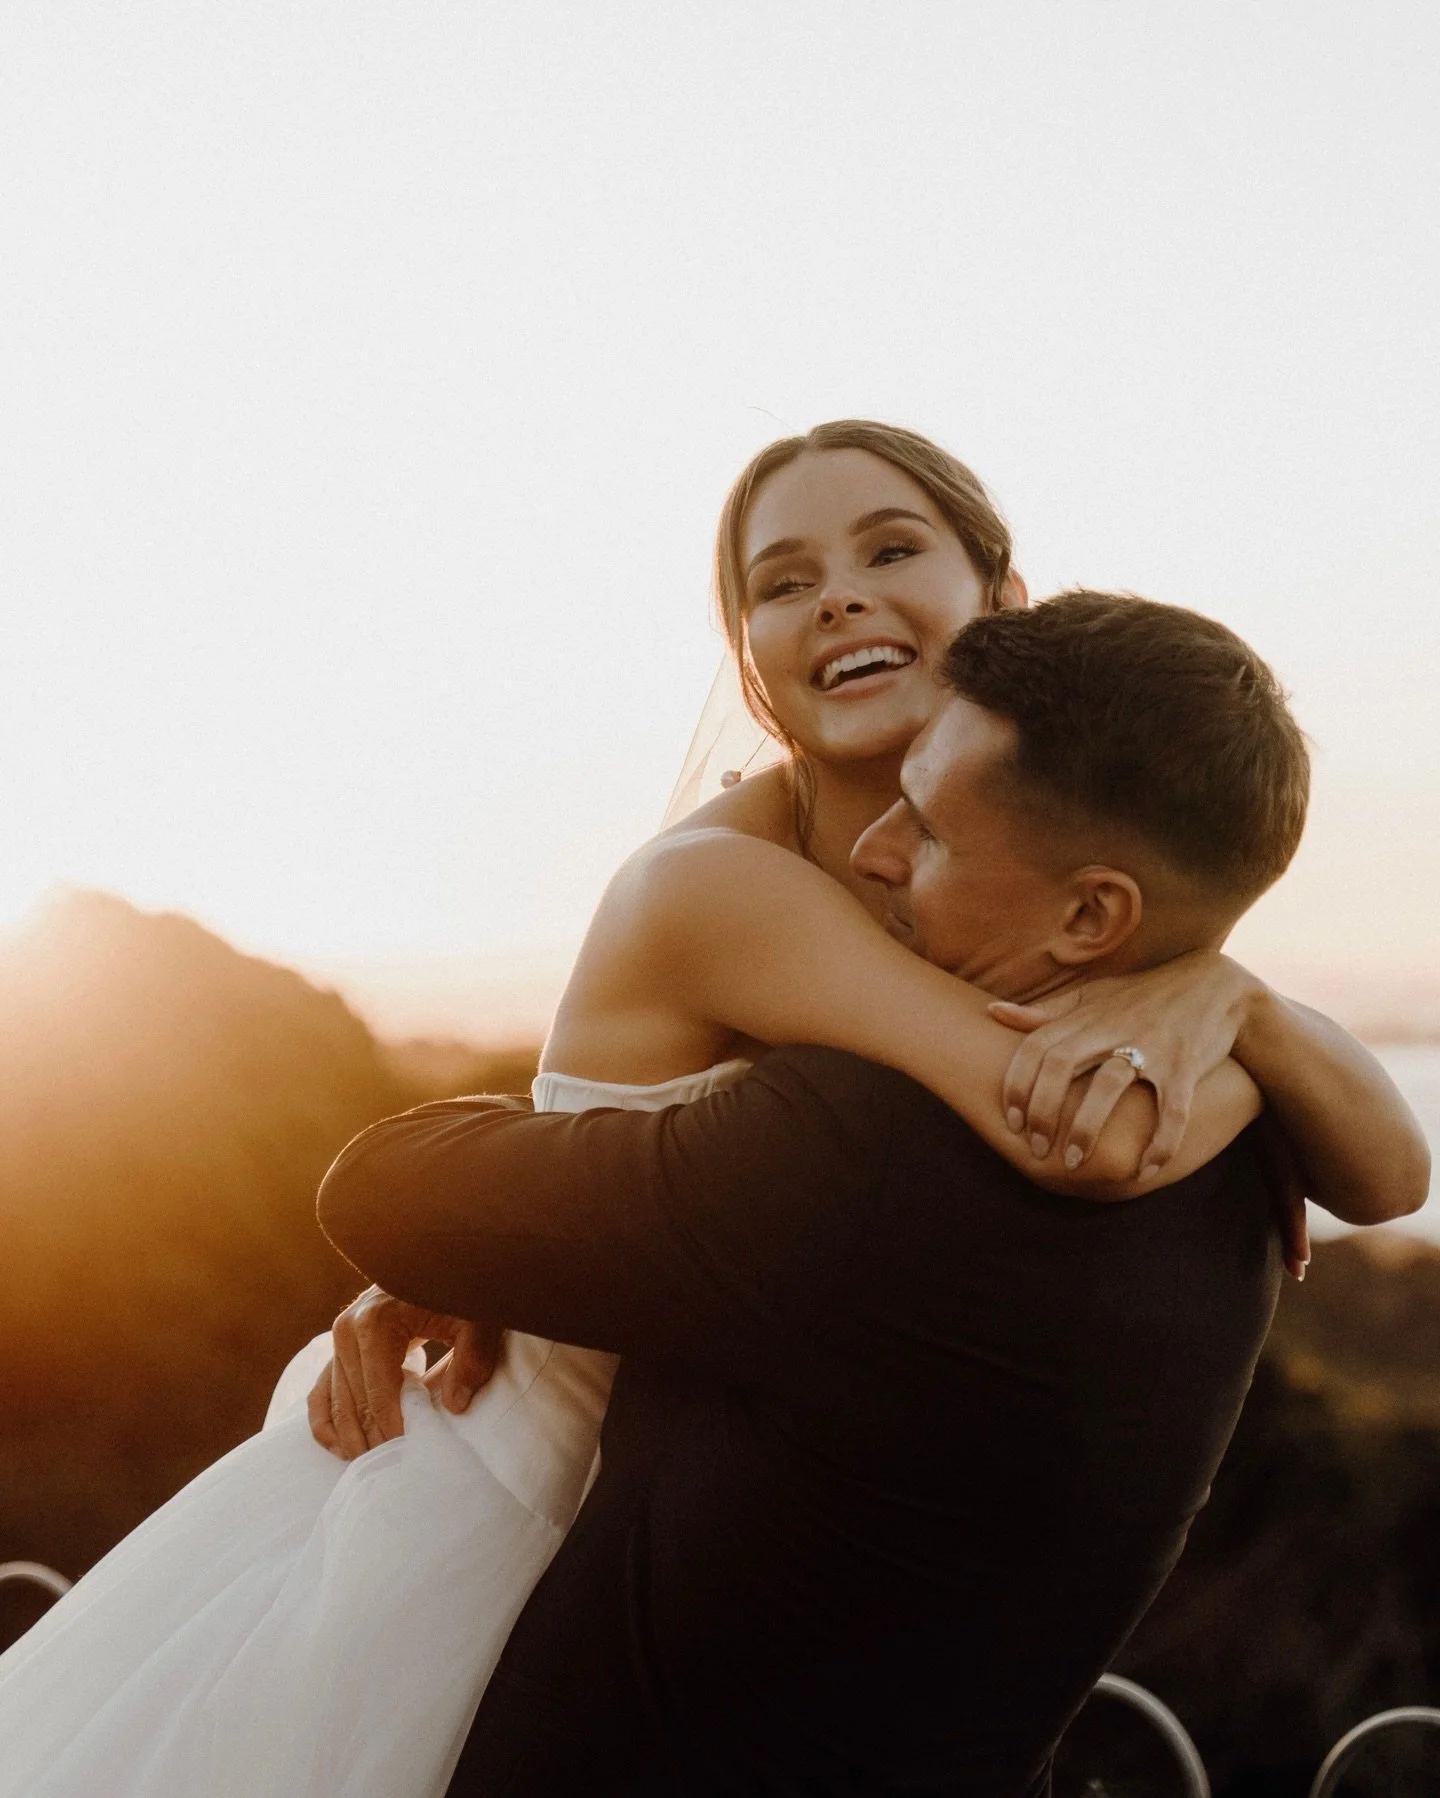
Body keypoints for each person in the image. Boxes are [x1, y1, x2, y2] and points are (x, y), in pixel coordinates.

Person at [0, 426, 1423, 1798]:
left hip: (722, 1511)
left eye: (889, 549)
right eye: (782, 581)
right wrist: (1225, 1014)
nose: (839, 596)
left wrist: (1231, 1002)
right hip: (525, 1493)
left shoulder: (1003, 877)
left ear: (1003, 600)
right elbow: (1079, 1125)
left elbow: (1393, 1172)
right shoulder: (729, 887)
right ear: (748, 656)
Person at [318, 591, 1403, 1794]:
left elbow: (379, 1188)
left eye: (928, 829)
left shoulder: (862, 1150)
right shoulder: (1248, 1148)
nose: (876, 849)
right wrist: (1238, 997)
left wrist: (533, 1224)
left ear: (1094, 913)